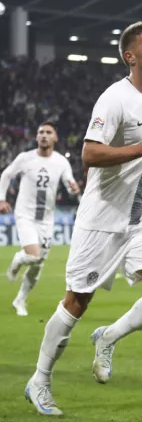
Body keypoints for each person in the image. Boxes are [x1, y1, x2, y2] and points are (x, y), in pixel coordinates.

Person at [24, 20, 142, 416]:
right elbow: (90, 155)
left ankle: (108, 338)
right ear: (130, 56)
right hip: (100, 221)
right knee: (77, 301)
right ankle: (39, 380)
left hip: (139, 218)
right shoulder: (114, 98)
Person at [1, 122, 80, 316]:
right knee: (33, 256)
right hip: (25, 214)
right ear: (36, 137)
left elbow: (69, 182)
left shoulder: (61, 162)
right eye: (40, 132)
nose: (44, 135)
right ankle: (18, 260)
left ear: (55, 138)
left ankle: (20, 300)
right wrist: (1, 198)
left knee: (38, 265)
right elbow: (6, 174)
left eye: (48, 132)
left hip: (46, 218)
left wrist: (73, 188)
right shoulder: (25, 158)